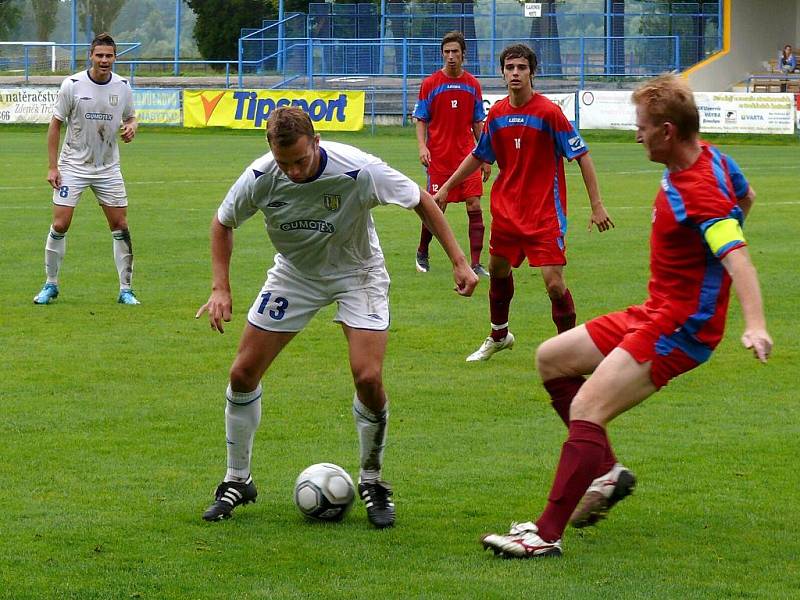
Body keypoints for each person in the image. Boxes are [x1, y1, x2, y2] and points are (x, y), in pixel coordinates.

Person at [480, 73, 773, 559]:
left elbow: (736, 255)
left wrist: (754, 323)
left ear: (667, 133)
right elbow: (747, 198)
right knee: (551, 358)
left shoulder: (697, 190)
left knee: (586, 409)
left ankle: (544, 535)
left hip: (680, 327)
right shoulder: (714, 157)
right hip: (654, 309)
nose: (636, 135)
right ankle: (607, 472)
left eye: (642, 127)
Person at [196, 107, 478, 527]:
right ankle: (238, 479)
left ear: (317, 141)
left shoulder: (359, 170)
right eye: (283, 162)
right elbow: (223, 222)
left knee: (368, 377)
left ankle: (373, 480)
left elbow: (421, 200)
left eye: (300, 160)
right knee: (241, 374)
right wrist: (221, 286)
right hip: (296, 275)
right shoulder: (259, 176)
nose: (292, 171)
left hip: (357, 274)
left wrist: (458, 261)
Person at [433, 44, 613, 362]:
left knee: (554, 284)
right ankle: (499, 335)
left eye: (522, 68)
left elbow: (582, 155)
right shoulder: (499, 114)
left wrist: (596, 204)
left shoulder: (549, 113)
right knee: (497, 269)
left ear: (532, 72)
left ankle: (569, 350)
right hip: (507, 212)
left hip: (544, 214)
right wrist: (446, 187)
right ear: (502, 73)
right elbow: (479, 156)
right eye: (510, 68)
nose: (515, 73)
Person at [33, 32, 140, 305]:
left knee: (120, 225)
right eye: (99, 55)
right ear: (91, 56)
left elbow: (131, 116)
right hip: (73, 166)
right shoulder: (72, 85)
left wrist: (131, 127)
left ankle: (126, 290)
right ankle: (50, 284)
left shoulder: (123, 86)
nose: (104, 60)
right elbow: (55, 124)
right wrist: (52, 167)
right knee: (60, 223)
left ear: (115, 57)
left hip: (107, 167)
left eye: (109, 56)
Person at [412, 31, 491, 278]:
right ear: (442, 54)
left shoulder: (472, 85)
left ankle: (476, 263)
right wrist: (422, 147)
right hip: (439, 158)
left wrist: (486, 155)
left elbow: (478, 122)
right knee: (437, 207)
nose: (451, 56)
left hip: (467, 158)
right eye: (447, 52)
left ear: (463, 54)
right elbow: (421, 119)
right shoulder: (430, 84)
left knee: (474, 204)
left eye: (455, 51)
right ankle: (423, 251)